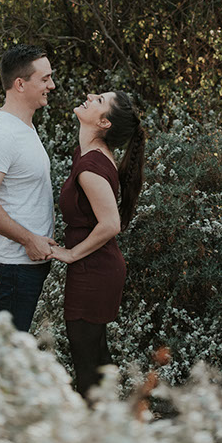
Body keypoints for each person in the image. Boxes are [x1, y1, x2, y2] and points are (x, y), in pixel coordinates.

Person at [50, 90, 145, 398]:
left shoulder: (91, 165)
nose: (90, 95)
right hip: (95, 268)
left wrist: (71, 254)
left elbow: (110, 223)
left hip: (94, 271)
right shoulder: (89, 153)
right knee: (96, 358)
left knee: (88, 365)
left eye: (100, 99)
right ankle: (114, 421)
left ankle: (97, 424)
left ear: (104, 122)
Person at [0, 44, 57, 332]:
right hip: (12, 266)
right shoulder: (2, 134)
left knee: (11, 351)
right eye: (45, 79)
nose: (51, 86)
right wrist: (29, 240)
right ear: (20, 84)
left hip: (24, 266)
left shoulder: (23, 127)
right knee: (6, 354)